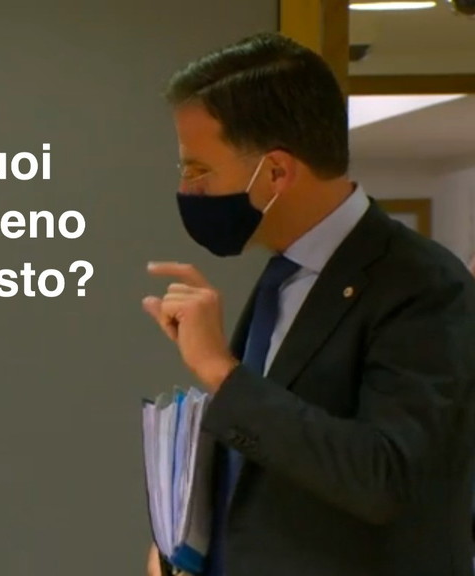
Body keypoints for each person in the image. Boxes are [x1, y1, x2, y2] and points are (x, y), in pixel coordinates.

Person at [142, 33, 475, 576]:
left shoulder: (424, 283)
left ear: (276, 172)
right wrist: (183, 544)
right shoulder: (284, 276)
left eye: (198, 169)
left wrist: (222, 372)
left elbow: (384, 476)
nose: (187, 188)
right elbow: (267, 462)